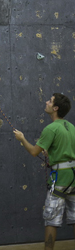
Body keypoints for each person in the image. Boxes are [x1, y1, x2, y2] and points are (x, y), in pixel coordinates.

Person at [14, 93, 75, 250]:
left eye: (50, 101)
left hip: (59, 181)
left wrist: (22, 139)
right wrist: (51, 154)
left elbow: (34, 151)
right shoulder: (71, 127)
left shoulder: (51, 128)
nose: (46, 102)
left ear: (55, 108)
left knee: (51, 219)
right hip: (74, 179)